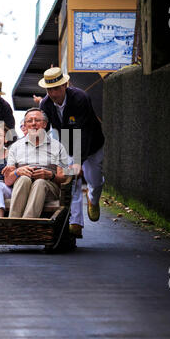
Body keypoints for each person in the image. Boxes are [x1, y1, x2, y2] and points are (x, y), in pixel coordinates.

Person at [38, 67, 105, 239]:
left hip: (92, 142)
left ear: (65, 85)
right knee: (71, 181)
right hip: (67, 143)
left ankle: (93, 199)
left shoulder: (81, 98)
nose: (53, 93)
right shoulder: (45, 104)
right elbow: (46, 130)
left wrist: (78, 160)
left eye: (57, 88)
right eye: (49, 89)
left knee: (95, 181)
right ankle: (76, 223)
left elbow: (84, 131)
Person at [3, 108, 68, 219]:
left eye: (37, 120)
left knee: (40, 183)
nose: (33, 124)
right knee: (23, 179)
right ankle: (13, 223)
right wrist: (17, 172)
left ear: (44, 124)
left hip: (49, 186)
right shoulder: (15, 147)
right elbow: (8, 181)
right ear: (25, 125)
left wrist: (50, 175)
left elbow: (64, 178)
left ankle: (27, 224)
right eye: (29, 121)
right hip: (23, 185)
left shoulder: (58, 146)